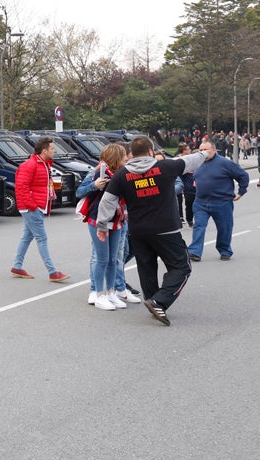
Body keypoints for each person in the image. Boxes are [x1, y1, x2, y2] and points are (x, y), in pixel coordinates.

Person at [96, 136, 208, 326]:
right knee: (181, 266)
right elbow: (190, 160)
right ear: (150, 151)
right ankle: (160, 300)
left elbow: (107, 201)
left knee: (147, 268)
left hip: (138, 231)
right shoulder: (165, 167)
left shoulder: (122, 175)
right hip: (166, 230)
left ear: (132, 154)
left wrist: (102, 225)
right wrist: (205, 153)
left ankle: (152, 300)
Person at [77, 143, 130, 310]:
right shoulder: (99, 172)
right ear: (116, 158)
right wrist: (95, 185)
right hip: (99, 221)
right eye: (123, 156)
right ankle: (98, 293)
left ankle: (111, 292)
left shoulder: (121, 173)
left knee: (113, 260)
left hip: (117, 220)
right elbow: (79, 192)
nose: (127, 158)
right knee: (102, 259)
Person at [10, 136, 70, 282]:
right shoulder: (30, 165)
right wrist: (32, 206)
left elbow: (39, 185)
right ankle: (52, 272)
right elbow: (21, 187)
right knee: (42, 238)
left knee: (27, 237)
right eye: (52, 149)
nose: (54, 151)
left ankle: (17, 266)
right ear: (44, 151)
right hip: (32, 207)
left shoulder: (43, 164)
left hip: (36, 206)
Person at [187, 140, 250, 261]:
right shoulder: (197, 163)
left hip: (222, 202)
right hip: (200, 202)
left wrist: (241, 192)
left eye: (206, 150)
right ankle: (194, 252)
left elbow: (243, 176)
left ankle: (225, 250)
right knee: (199, 226)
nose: (203, 152)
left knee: (224, 228)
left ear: (214, 150)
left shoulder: (225, 163)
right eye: (200, 150)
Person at [177, 143, 196, 227]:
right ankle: (189, 219)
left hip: (196, 186)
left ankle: (198, 220)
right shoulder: (179, 161)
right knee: (189, 205)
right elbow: (178, 175)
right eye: (188, 149)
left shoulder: (191, 158)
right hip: (188, 187)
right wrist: (181, 187)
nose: (190, 150)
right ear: (184, 151)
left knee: (198, 204)